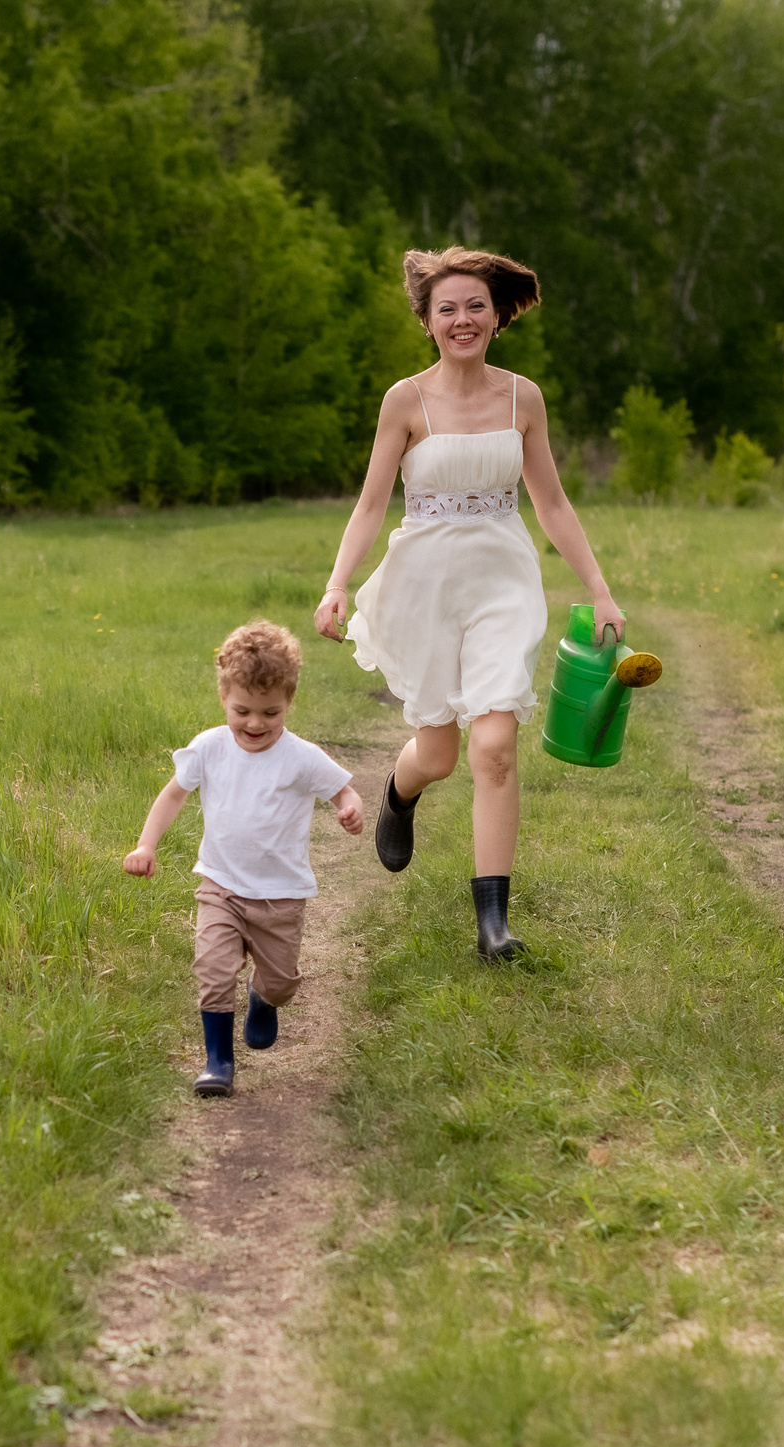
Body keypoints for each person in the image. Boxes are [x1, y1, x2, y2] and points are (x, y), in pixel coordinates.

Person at [312, 247, 626, 962]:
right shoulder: (405, 401)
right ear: (427, 321)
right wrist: (336, 583)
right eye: (447, 308)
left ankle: (493, 924)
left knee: (494, 747)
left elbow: (549, 500)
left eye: (475, 307)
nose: (463, 319)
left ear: (495, 317)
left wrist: (600, 589)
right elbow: (369, 507)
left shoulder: (524, 399)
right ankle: (398, 791)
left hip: (502, 580)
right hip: (423, 581)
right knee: (441, 752)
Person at [123, 621, 366, 1097]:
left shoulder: (302, 756)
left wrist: (349, 808)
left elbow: (342, 790)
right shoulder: (209, 747)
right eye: (243, 711)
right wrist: (145, 844)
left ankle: (263, 998)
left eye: (269, 712)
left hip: (281, 897)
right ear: (224, 698)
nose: (255, 724)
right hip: (221, 886)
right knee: (212, 972)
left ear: (288, 703)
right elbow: (173, 795)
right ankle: (218, 1062)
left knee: (281, 983)